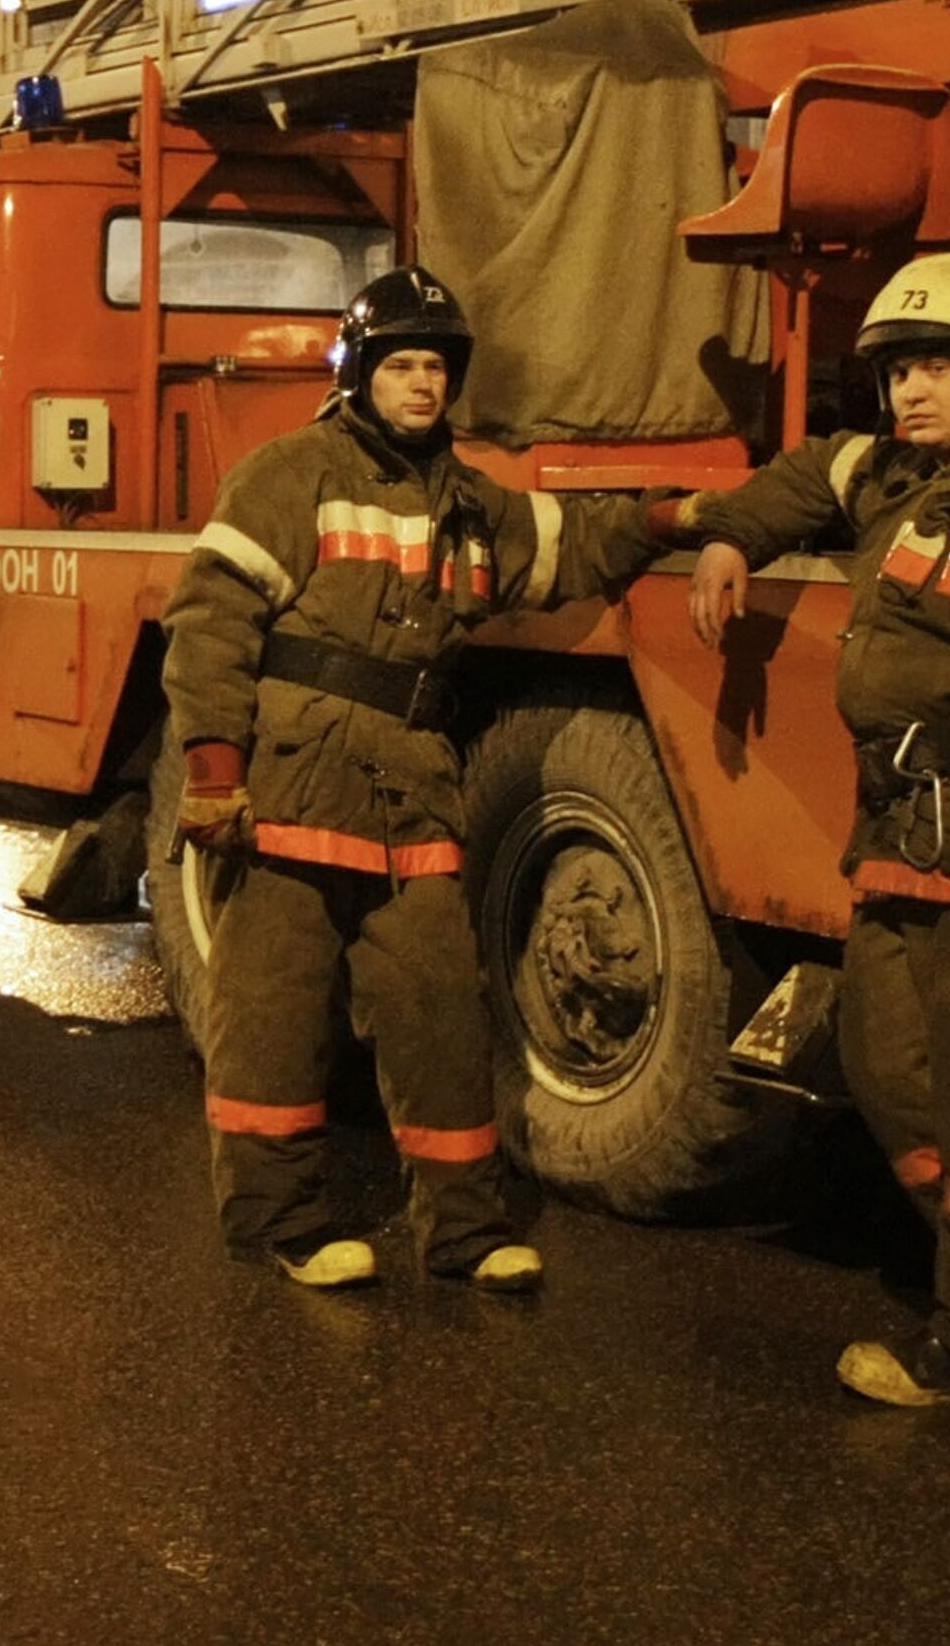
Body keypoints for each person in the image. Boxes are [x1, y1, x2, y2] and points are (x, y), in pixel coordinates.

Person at [161, 267, 661, 1291]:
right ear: (360, 374)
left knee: (439, 1013)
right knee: (273, 1016)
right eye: (401, 365)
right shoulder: (289, 472)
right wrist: (212, 770)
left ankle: (464, 1232)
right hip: (295, 790)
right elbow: (211, 619)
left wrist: (680, 520)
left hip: (413, 793)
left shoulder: (473, 504)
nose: (422, 383)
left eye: (436, 366)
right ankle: (281, 1221)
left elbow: (572, 547)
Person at [685, 249, 950, 1406]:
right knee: (884, 1066)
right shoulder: (894, 477)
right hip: (897, 839)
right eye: (898, 371)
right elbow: (810, 473)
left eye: (940, 367)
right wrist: (730, 535)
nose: (912, 389)